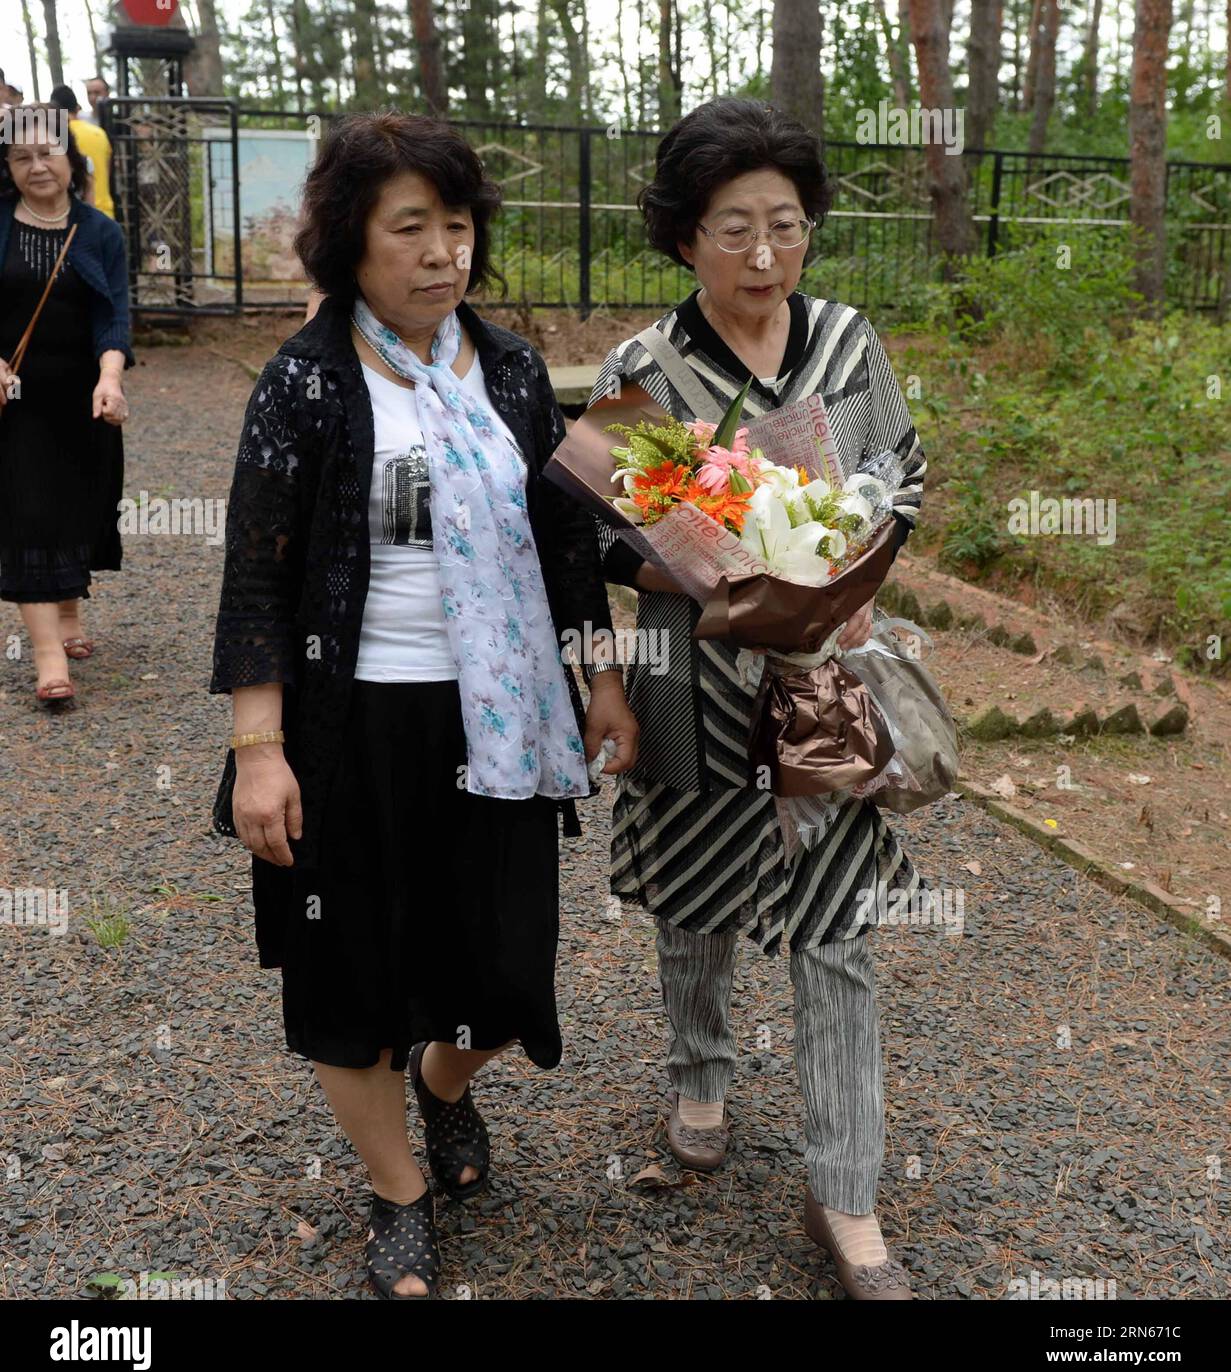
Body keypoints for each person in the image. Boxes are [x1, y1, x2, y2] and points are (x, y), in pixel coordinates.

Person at [209, 111, 638, 1301]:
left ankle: (445, 1088)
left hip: (495, 722)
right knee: (351, 986)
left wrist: (598, 671)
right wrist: (259, 748)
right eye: (412, 228)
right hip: (350, 726)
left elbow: (565, 539)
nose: (443, 252)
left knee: (504, 975)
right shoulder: (305, 379)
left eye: (458, 226)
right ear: (351, 241)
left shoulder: (503, 366)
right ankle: (396, 1191)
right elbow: (255, 570)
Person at [591, 97, 928, 1300]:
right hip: (693, 675)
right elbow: (600, 533)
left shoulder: (846, 342)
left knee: (838, 926)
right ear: (684, 236)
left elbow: (902, 469)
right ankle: (699, 1069)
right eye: (733, 228)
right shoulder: (644, 369)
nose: (764, 254)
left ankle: (846, 1189)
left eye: (785, 225)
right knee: (695, 897)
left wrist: (855, 544)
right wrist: (701, 567)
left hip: (823, 680)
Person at [0, 104, 131, 706]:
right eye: (21, 156)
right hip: (15, 400)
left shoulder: (99, 231)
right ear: (8, 165)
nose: (37, 166)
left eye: (47, 153)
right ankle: (48, 657)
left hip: (83, 398)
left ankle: (69, 611)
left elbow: (114, 317)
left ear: (71, 159)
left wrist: (112, 378)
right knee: (29, 513)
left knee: (77, 505)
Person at [49, 84, 113, 219]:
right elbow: (107, 171)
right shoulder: (100, 134)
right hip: (105, 212)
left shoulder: (56, 137)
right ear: (76, 107)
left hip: (75, 217)